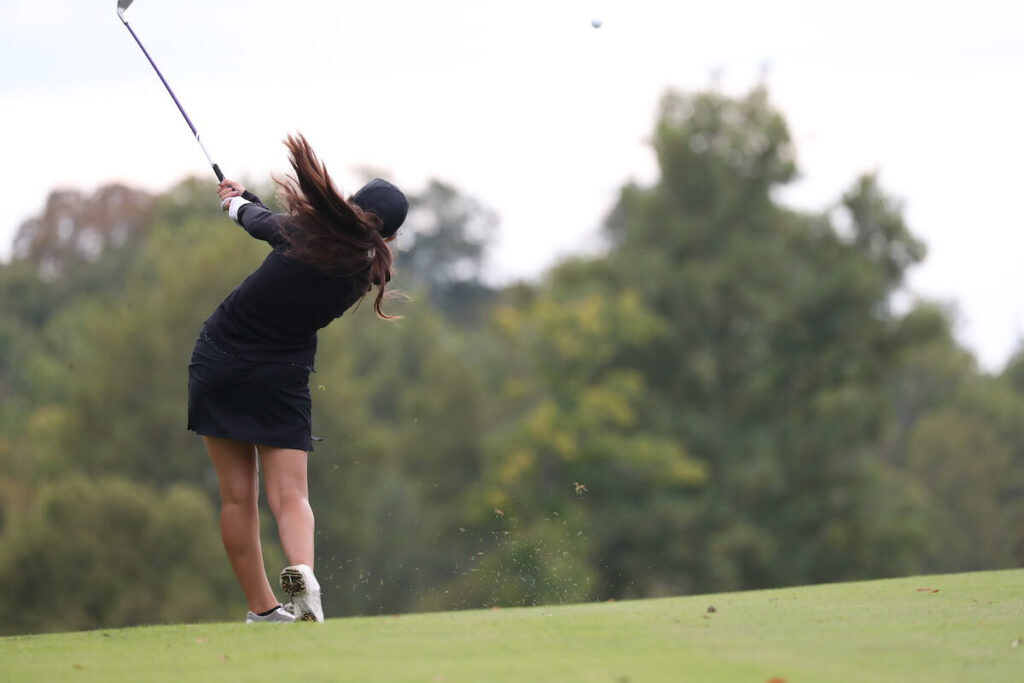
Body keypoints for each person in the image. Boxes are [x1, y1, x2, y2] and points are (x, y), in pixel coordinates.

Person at [187, 133, 408, 623]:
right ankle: (302, 570)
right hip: (279, 375)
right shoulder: (360, 275)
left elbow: (262, 223)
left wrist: (234, 202)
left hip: (218, 359)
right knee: (290, 495)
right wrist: (247, 204)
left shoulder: (302, 234)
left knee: (237, 497)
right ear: (387, 238)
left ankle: (263, 609)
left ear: (348, 205)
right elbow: (279, 229)